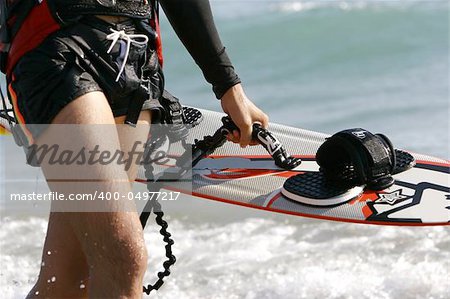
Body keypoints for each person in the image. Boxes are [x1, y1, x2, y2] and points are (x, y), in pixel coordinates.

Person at [3, 0, 268, 297]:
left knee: (68, 278)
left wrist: (227, 84)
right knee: (122, 258)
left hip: (136, 52)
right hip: (56, 46)